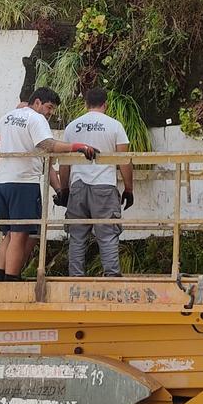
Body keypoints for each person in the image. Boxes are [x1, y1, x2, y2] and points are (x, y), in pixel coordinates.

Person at [0, 88, 96, 282]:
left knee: (7, 233)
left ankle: (0, 275)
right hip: (22, 183)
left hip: (0, 185)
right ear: (37, 102)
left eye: (52, 110)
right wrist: (77, 147)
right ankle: (12, 278)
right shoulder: (36, 120)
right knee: (20, 234)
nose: (50, 113)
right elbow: (48, 146)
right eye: (49, 107)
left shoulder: (8, 116)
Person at [58, 88, 134, 277]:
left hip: (78, 186)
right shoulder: (114, 126)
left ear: (85, 104)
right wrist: (129, 189)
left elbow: (64, 162)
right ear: (105, 104)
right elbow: (124, 160)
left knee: (76, 236)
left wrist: (65, 189)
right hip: (104, 186)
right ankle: (111, 277)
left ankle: (75, 277)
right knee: (107, 234)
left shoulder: (72, 127)